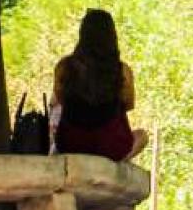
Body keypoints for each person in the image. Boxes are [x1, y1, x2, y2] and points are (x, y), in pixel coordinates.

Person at [51, 9, 148, 161]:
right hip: (111, 145)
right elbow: (129, 104)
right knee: (142, 136)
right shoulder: (121, 70)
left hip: (71, 143)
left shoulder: (64, 67)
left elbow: (60, 99)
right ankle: (116, 163)